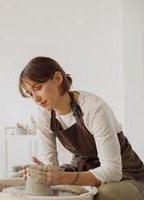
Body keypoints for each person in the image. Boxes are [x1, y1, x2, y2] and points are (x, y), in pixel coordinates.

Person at [19, 56, 144, 200]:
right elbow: (50, 164)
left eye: (38, 88)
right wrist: (43, 171)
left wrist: (62, 178)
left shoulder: (94, 109)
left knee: (104, 193)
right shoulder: (44, 116)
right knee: (31, 181)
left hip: (125, 175)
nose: (35, 98)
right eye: (30, 94)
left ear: (58, 78)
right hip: (83, 168)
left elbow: (112, 171)